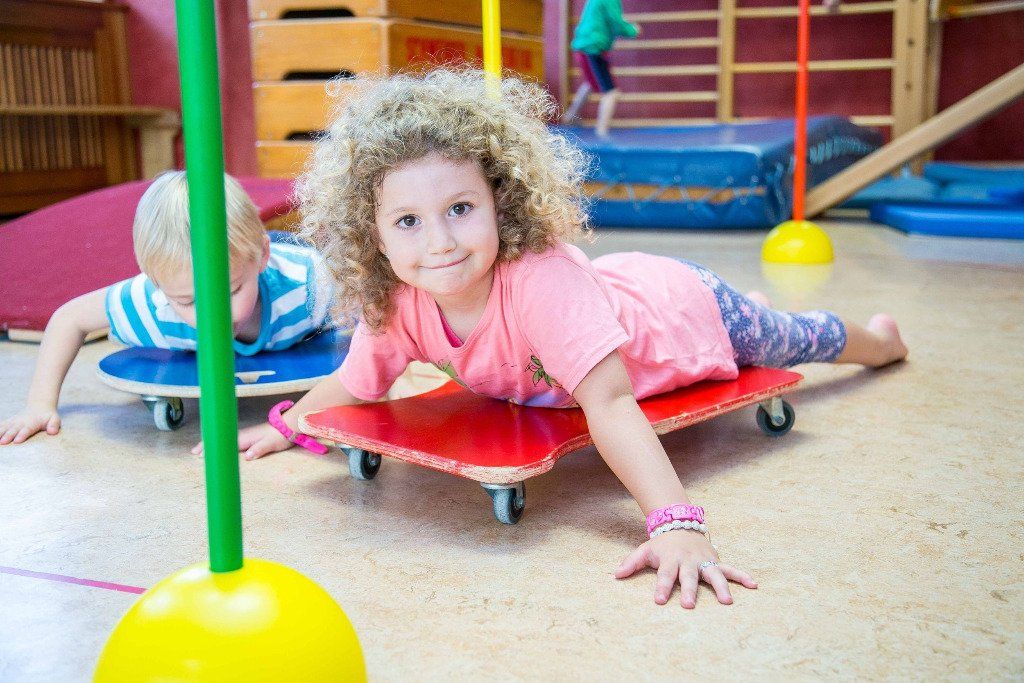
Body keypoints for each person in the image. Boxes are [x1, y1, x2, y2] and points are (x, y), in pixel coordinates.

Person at [223, 69, 908, 608]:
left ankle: (880, 341)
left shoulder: (540, 280)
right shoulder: (398, 301)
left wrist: (676, 523)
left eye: (460, 208)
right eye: (408, 221)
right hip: (612, 300)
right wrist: (289, 424)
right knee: (756, 328)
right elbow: (355, 382)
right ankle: (760, 307)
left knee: (788, 338)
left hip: (682, 313)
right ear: (372, 234)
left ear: (500, 202)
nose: (440, 242)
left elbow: (609, 403)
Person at [0, 171, 333, 445]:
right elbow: (69, 318)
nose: (211, 317)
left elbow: (364, 313)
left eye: (230, 292)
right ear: (158, 285)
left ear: (261, 258)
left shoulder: (311, 284)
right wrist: (39, 404)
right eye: (188, 302)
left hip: (286, 253)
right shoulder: (150, 304)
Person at [561, 0, 640, 136]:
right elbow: (616, 23)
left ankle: (570, 117)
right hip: (593, 47)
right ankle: (601, 133)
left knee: (591, 83)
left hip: (584, 45)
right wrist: (633, 30)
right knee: (611, 93)